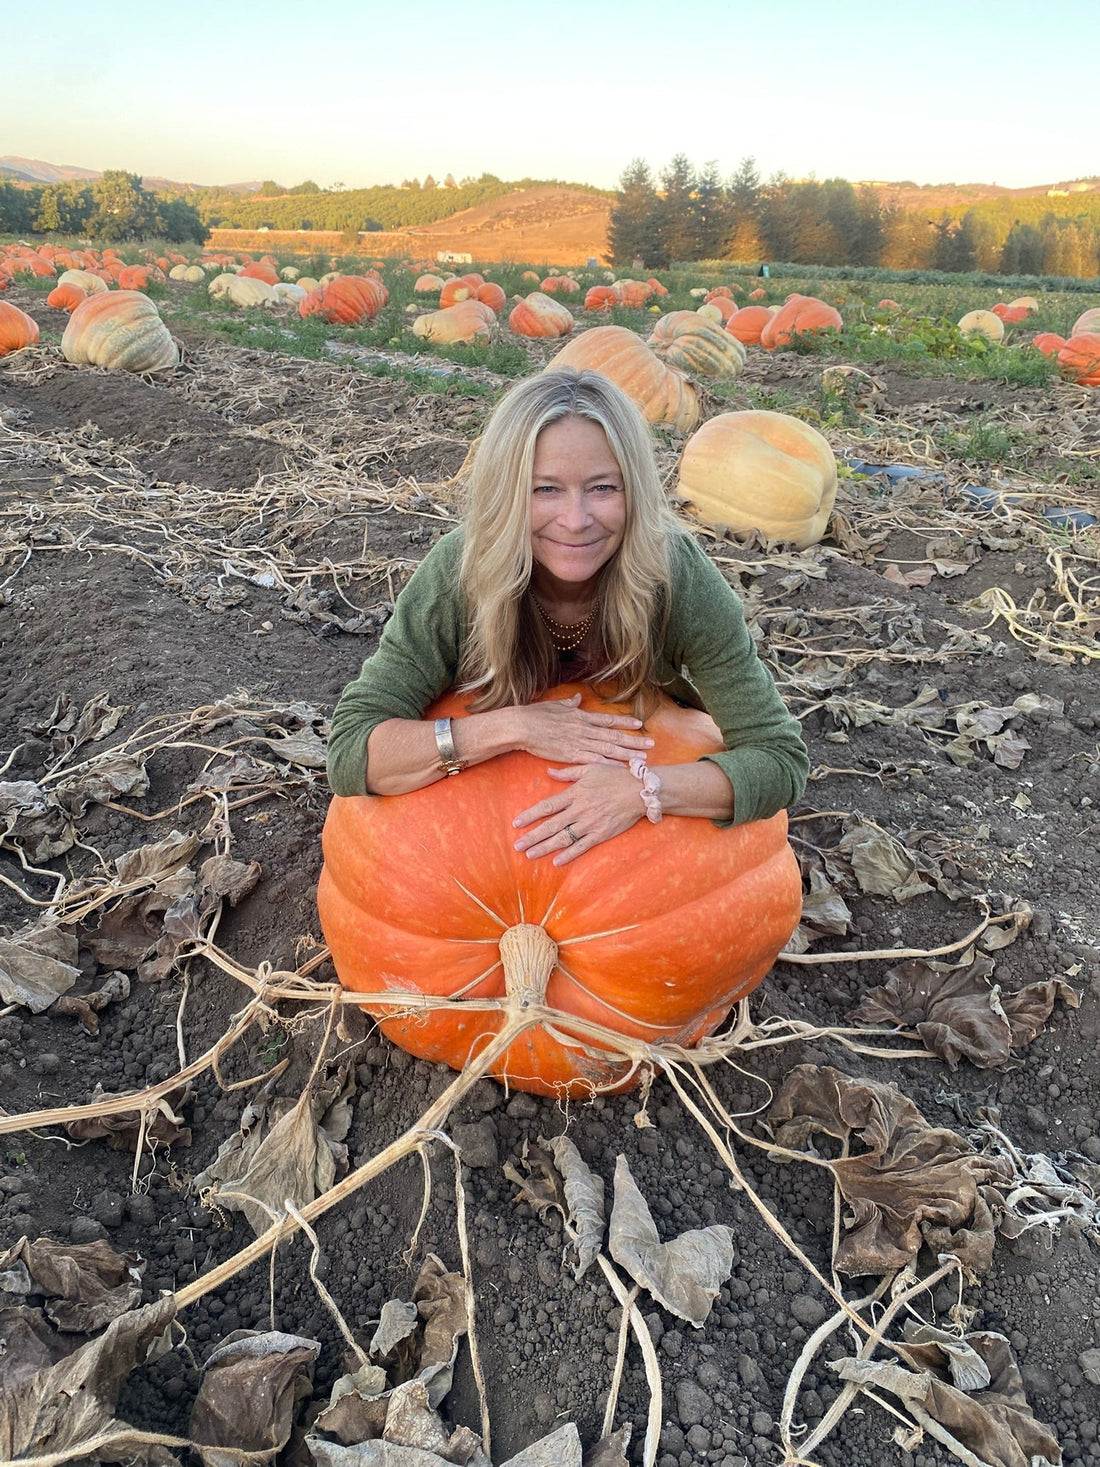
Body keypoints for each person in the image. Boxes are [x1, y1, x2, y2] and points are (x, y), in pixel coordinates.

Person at [327, 369, 808, 864]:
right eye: (545, 490)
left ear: (635, 491)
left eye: (602, 488)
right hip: (469, 855)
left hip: (637, 867)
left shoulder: (676, 576)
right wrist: (514, 727)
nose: (576, 520)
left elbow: (779, 758)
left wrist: (643, 790)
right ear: (506, 493)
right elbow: (351, 751)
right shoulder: (459, 574)